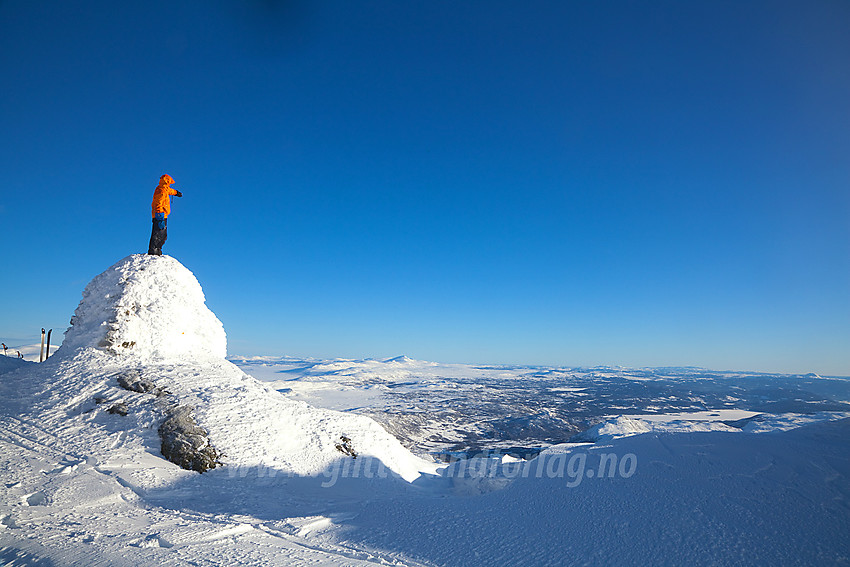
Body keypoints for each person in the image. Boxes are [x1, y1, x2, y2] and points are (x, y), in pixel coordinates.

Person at [147, 174, 183, 255]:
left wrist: (176, 193)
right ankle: (153, 250)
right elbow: (158, 203)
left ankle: (158, 249)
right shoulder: (161, 190)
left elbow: (170, 190)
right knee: (158, 233)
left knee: (163, 234)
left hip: (163, 215)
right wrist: (159, 214)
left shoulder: (164, 188)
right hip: (159, 215)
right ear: (167, 181)